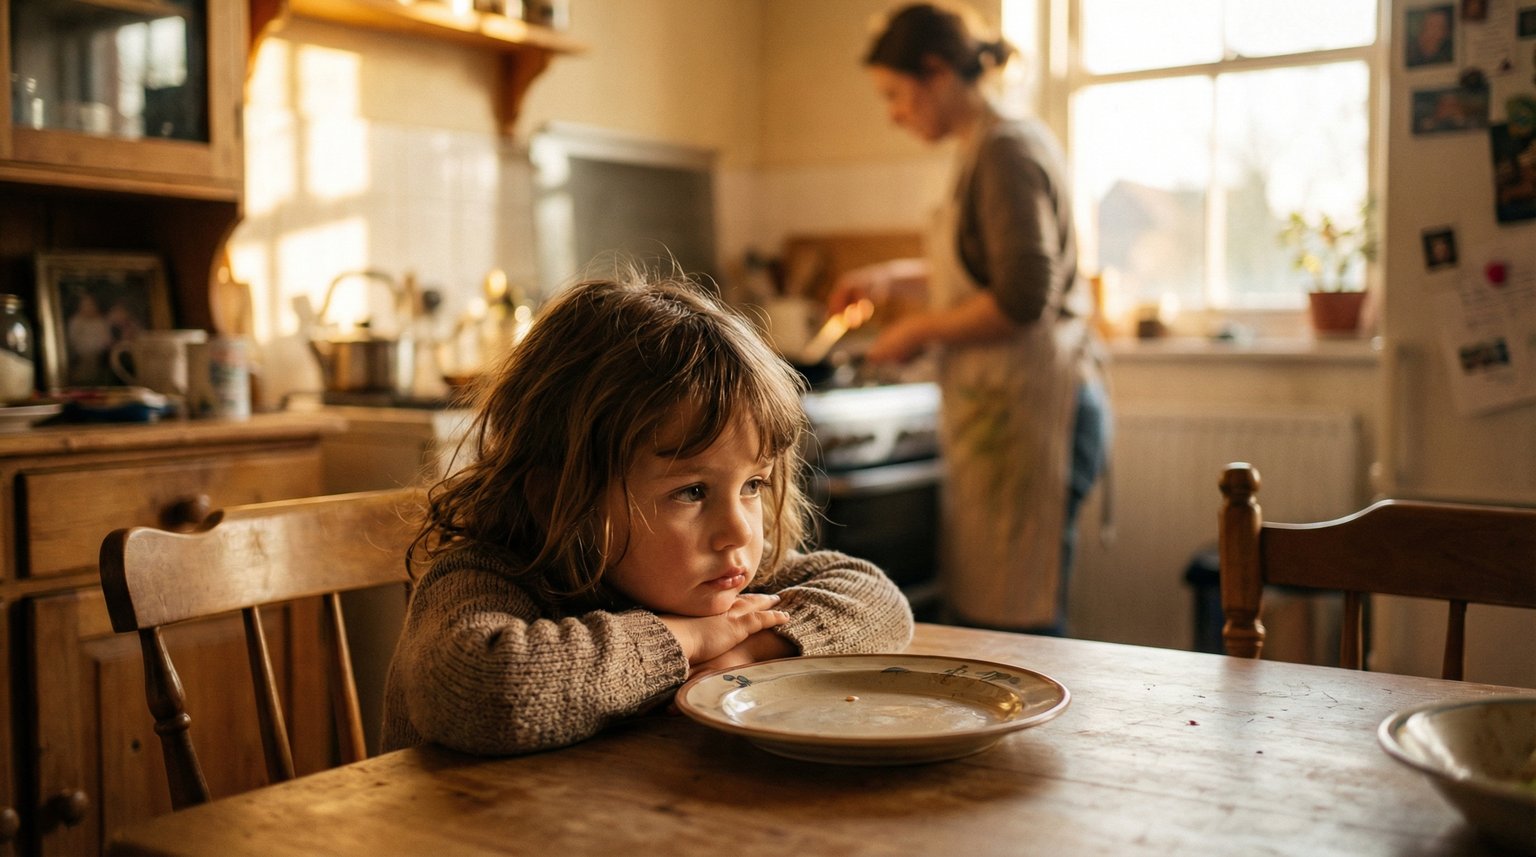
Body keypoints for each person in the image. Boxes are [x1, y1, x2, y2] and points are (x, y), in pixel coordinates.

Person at [380, 274, 915, 756]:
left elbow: (881, 603)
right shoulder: (488, 578)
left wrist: (748, 649)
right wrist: (686, 641)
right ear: (561, 498)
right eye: (692, 492)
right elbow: (479, 690)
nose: (738, 532)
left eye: (752, 484)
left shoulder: (717, 586)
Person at [828, 3, 1110, 636]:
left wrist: (916, 329)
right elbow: (981, 270)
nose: (894, 113)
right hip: (1018, 413)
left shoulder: (1005, 149)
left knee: (1022, 628)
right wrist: (890, 278)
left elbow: (1021, 297)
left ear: (936, 73)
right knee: (1001, 619)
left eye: (895, 95)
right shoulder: (986, 143)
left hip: (1040, 413)